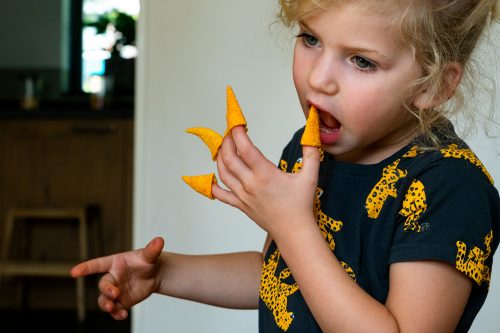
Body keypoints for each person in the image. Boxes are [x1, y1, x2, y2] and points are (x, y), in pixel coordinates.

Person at [71, 1, 500, 332]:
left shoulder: (450, 187)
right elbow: (281, 275)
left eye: (362, 61)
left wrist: (293, 227)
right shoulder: (308, 151)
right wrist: (166, 274)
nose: (318, 79)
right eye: (311, 39)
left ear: (434, 84)